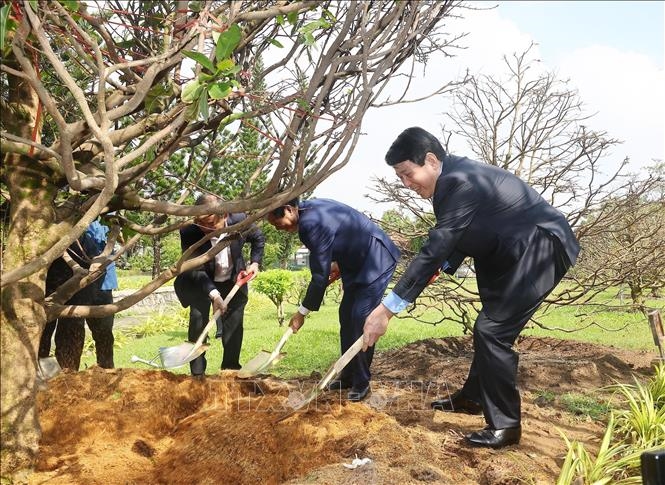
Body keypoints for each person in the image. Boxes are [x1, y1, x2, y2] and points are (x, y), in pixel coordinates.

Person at [363, 127, 580, 448]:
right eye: (400, 178)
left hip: (539, 248)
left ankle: (506, 426)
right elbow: (465, 232)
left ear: (432, 161)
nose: (407, 184)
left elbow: (437, 245)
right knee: (489, 326)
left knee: (492, 331)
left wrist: (387, 309)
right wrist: (443, 266)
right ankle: (474, 397)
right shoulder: (455, 177)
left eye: (409, 174)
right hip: (508, 252)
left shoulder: (457, 182)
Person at [267, 197, 400, 402]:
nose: (277, 229)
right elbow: (337, 237)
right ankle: (347, 375)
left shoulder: (310, 222)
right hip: (355, 263)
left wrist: (301, 313)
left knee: (360, 319)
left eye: (277, 224)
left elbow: (319, 277)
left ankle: (361, 382)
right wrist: (336, 262)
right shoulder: (310, 211)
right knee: (346, 315)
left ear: (288, 210)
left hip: (376, 260)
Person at [174, 194, 265, 377]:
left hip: (233, 280)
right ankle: (198, 375)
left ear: (224, 216)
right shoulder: (190, 231)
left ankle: (230, 370)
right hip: (202, 283)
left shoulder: (239, 221)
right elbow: (196, 268)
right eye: (202, 224)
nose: (206, 229)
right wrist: (214, 295)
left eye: (210, 224)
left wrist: (254, 262)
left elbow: (258, 238)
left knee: (234, 326)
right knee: (198, 322)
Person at [38, 226, 106, 370]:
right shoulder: (45, 236)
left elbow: (97, 270)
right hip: (44, 295)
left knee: (69, 337)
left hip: (75, 300)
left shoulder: (84, 240)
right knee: (41, 338)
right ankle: (46, 377)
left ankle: (65, 378)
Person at [84, 220, 118, 368]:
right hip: (76, 284)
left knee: (104, 334)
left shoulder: (107, 220)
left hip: (103, 285)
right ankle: (69, 378)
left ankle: (106, 373)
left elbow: (116, 247)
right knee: (72, 331)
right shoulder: (75, 218)